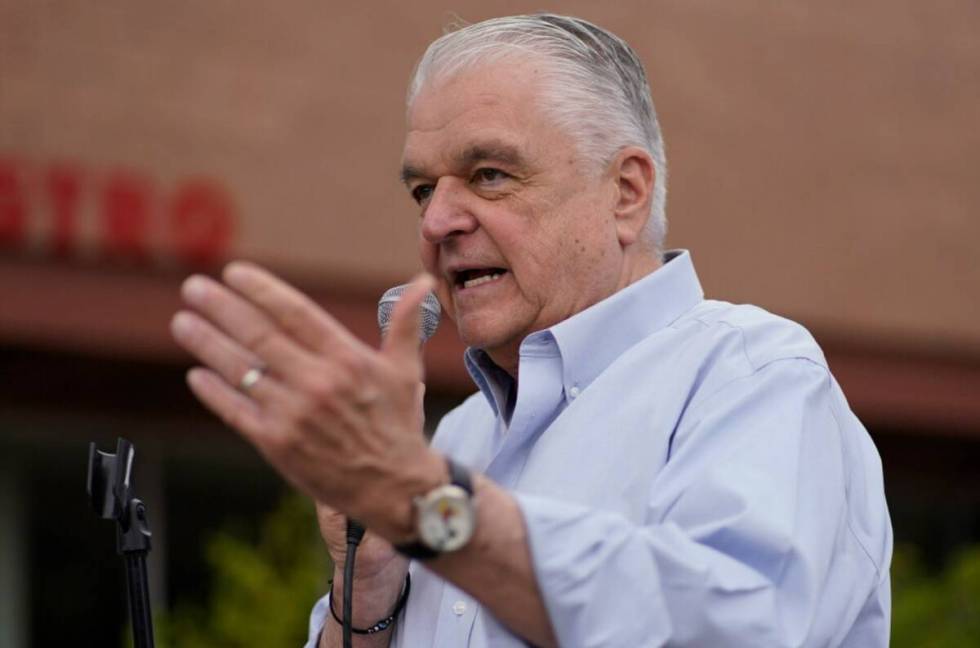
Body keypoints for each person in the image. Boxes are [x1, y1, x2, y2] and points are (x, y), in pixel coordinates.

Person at [170, 13, 892, 648]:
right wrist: (368, 593)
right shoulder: (455, 443)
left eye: (488, 175)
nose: (436, 221)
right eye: (423, 190)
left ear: (626, 193)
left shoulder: (749, 376)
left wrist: (432, 510)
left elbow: (732, 630)